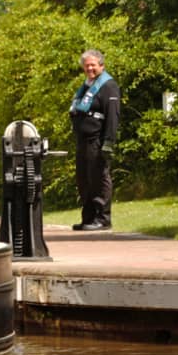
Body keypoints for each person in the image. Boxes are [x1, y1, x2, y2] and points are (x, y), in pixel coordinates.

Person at [69, 49, 120, 231]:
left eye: (93, 65)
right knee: (84, 179)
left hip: (97, 140)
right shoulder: (86, 85)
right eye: (86, 65)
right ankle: (88, 217)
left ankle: (103, 218)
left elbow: (113, 115)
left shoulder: (108, 86)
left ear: (101, 66)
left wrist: (108, 142)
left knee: (99, 178)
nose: (89, 68)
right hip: (83, 140)